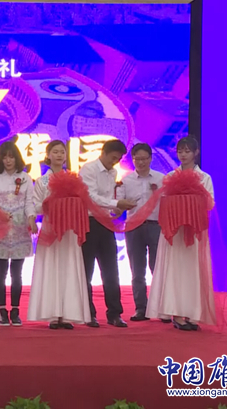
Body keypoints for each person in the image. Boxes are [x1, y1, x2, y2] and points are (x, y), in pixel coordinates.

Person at [146, 136, 216, 331]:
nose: (183, 155)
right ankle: (176, 313)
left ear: (196, 153)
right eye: (180, 151)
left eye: (187, 151)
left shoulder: (204, 177)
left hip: (194, 232)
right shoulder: (170, 177)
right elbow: (164, 202)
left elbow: (210, 203)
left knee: (194, 271)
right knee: (175, 271)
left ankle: (193, 313)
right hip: (174, 233)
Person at [27, 140, 91, 329]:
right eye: (55, 152)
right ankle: (53, 314)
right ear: (48, 155)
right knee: (51, 268)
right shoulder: (42, 181)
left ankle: (68, 314)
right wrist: (48, 206)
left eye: (62, 152)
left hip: (69, 230)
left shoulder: (73, 179)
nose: (59, 155)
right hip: (51, 229)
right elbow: (36, 205)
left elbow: (83, 202)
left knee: (68, 267)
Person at [79, 140, 136, 328]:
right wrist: (116, 204)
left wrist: (116, 209)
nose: (115, 162)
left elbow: (108, 198)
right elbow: (91, 197)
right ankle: (89, 314)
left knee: (111, 270)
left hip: (105, 223)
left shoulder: (113, 172)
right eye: (113, 158)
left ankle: (114, 313)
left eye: (118, 159)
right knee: (86, 270)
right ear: (103, 153)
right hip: (88, 222)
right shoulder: (88, 169)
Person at [0, 141, 35, 326]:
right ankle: (1, 311)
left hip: (20, 229)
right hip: (0, 229)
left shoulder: (25, 178)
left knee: (17, 273)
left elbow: (29, 203)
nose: (8, 161)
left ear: (17, 158)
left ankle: (15, 310)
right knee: (0, 272)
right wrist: (0, 215)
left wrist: (31, 218)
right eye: (5, 157)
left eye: (11, 157)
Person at [116, 143, 165, 322]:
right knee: (137, 271)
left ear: (151, 158)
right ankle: (141, 309)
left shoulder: (162, 179)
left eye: (145, 159)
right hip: (133, 228)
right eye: (138, 159)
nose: (141, 162)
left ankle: (161, 309)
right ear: (133, 160)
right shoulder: (126, 180)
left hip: (156, 226)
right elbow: (118, 205)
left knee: (157, 269)